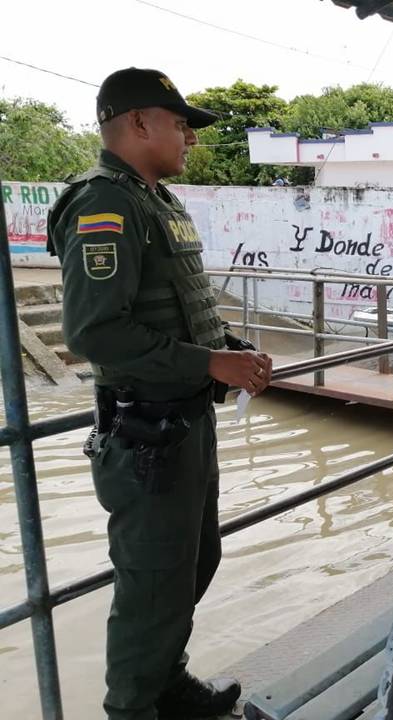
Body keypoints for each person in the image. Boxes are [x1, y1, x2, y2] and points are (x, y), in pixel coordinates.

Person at [46, 67, 274, 720]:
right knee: (151, 587)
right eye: (179, 124)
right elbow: (97, 333)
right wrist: (212, 362)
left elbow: (183, 310)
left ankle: (166, 684)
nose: (189, 139)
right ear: (138, 123)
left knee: (193, 563)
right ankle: (134, 708)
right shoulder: (102, 203)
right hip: (145, 436)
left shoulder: (158, 202)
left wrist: (230, 351)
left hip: (185, 423)